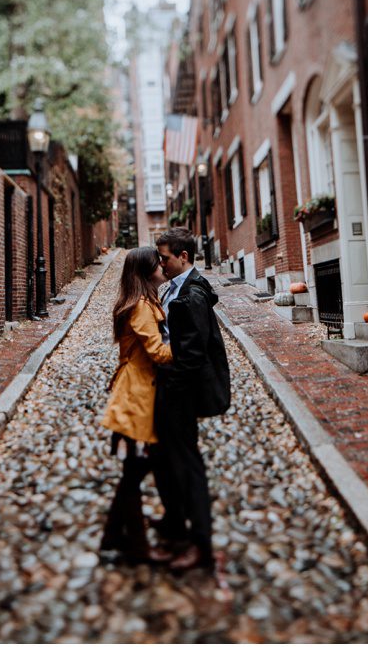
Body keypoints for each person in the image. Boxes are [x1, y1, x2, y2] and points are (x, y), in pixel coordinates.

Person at [151, 227, 230, 572]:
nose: (161, 263)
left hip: (179, 395)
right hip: (170, 392)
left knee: (188, 466)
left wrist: (169, 387)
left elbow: (192, 355)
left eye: (165, 257)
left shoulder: (192, 295)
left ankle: (201, 545)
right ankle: (174, 526)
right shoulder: (175, 289)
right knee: (169, 462)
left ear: (183, 257)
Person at [98, 246, 172, 565]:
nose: (162, 266)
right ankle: (138, 547)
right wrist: (190, 348)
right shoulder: (141, 306)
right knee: (134, 471)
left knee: (136, 469)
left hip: (138, 391)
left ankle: (112, 537)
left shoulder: (144, 301)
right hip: (136, 394)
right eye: (157, 263)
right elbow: (157, 352)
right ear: (146, 272)